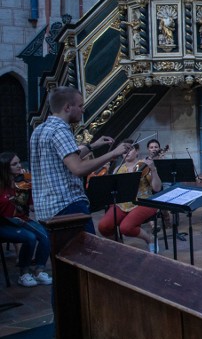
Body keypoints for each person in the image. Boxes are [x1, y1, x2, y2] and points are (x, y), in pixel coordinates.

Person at [30, 86, 131, 233]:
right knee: (86, 254)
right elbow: (78, 169)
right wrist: (113, 153)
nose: (83, 110)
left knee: (61, 254)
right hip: (67, 206)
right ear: (67, 107)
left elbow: (63, 159)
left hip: (46, 208)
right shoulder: (61, 130)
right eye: (80, 106)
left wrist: (93, 146)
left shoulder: (40, 130)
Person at [97, 141, 161, 252]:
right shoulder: (118, 169)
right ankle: (120, 245)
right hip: (123, 204)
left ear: (137, 151)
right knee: (103, 226)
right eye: (124, 150)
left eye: (130, 149)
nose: (126, 153)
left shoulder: (145, 165)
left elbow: (157, 188)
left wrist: (153, 169)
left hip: (143, 202)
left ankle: (150, 239)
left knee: (126, 228)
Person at [0, 152, 52, 286]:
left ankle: (39, 270)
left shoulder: (24, 181)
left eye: (19, 162)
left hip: (22, 219)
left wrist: (32, 186)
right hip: (4, 223)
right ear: (5, 167)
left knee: (46, 235)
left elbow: (32, 207)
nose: (19, 166)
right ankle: (24, 273)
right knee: (30, 237)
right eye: (14, 164)